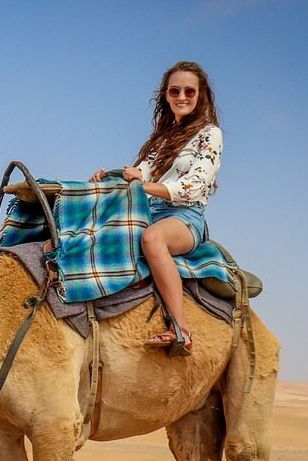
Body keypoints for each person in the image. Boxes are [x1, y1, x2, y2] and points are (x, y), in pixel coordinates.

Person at [92, 60, 223, 356]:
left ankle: (180, 330)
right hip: (149, 211)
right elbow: (140, 174)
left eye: (189, 91)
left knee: (152, 239)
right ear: (166, 95)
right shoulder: (161, 140)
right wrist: (110, 177)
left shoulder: (210, 134)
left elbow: (193, 185)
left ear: (201, 95)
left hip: (185, 216)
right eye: (174, 91)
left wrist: (144, 186)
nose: (181, 97)